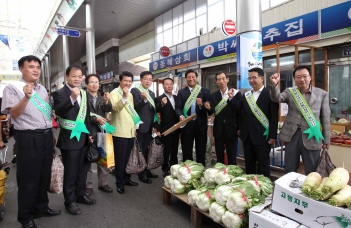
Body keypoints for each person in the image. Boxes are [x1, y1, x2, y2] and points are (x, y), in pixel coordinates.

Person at [1, 55, 60, 228]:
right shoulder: (12, 88)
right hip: (27, 137)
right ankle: (25, 217)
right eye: (31, 66)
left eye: (37, 67)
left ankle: (41, 207)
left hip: (46, 135)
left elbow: (45, 114)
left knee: (43, 175)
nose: (35, 70)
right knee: (28, 178)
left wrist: (50, 133)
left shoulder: (42, 89)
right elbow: (15, 114)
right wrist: (26, 97)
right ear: (21, 69)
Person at [270, 65, 330, 175]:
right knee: (290, 168)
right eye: (298, 77)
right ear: (294, 79)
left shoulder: (322, 94)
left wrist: (326, 139)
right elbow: (276, 98)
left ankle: (310, 190)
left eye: (305, 76)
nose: (302, 79)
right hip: (292, 135)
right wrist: (274, 85)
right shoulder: (290, 92)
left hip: (312, 135)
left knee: (312, 170)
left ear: (310, 77)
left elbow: (325, 118)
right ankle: (289, 190)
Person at [52, 65, 96, 216]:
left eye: (79, 76)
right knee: (70, 172)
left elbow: (86, 116)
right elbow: (58, 111)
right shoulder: (59, 93)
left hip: (83, 137)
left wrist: (90, 133)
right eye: (73, 76)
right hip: (69, 139)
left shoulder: (84, 93)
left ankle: (80, 194)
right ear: (66, 77)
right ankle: (69, 201)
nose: (77, 79)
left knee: (82, 170)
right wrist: (72, 98)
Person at [239, 67, 278, 178]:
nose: (251, 80)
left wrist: (272, 136)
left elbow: (274, 116)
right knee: (249, 164)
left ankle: (264, 189)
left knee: (263, 165)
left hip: (263, 136)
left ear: (261, 78)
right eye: (249, 78)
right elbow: (241, 113)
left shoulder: (270, 94)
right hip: (247, 136)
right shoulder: (246, 95)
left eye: (254, 77)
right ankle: (250, 186)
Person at [109, 71, 139, 194]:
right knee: (120, 160)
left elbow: (132, 113)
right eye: (125, 80)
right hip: (120, 131)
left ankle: (127, 179)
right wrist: (124, 97)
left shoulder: (130, 94)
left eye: (130, 81)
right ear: (120, 81)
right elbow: (115, 108)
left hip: (130, 131)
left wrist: (135, 127)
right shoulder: (114, 93)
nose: (127, 83)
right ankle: (119, 183)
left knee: (128, 158)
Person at [204, 71, 242, 165]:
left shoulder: (236, 94)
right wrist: (208, 108)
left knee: (232, 157)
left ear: (227, 80)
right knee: (219, 157)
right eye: (219, 79)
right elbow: (212, 111)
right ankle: (220, 176)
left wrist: (239, 127)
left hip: (232, 129)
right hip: (219, 130)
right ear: (216, 82)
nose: (221, 81)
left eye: (223, 79)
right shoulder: (213, 96)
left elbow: (239, 111)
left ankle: (232, 176)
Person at [84, 74, 113, 196]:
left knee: (103, 159)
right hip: (89, 131)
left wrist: (107, 101)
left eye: (97, 82)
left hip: (102, 131)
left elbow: (108, 110)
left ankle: (103, 183)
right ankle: (88, 185)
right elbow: (82, 115)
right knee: (88, 159)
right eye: (92, 82)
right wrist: (95, 120)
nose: (95, 84)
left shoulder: (102, 97)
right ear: (86, 84)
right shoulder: (82, 97)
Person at [175, 69, 210, 167]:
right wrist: (181, 116)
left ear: (196, 78)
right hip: (187, 125)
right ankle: (188, 172)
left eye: (193, 77)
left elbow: (208, 108)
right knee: (187, 151)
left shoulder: (205, 91)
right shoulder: (181, 92)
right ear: (186, 79)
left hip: (201, 126)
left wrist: (201, 105)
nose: (191, 79)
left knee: (201, 151)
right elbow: (178, 107)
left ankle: (201, 172)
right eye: (189, 77)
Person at [131, 71, 158, 184]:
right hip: (140, 126)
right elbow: (135, 107)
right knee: (140, 150)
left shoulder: (152, 93)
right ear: (141, 80)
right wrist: (144, 99)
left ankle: (147, 170)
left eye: (150, 79)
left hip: (150, 126)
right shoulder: (135, 91)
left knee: (148, 149)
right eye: (145, 79)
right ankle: (141, 173)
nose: (148, 81)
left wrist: (155, 126)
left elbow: (153, 111)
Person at [155, 78, 179, 177]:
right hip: (166, 129)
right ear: (163, 86)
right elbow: (156, 111)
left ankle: (174, 166)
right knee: (166, 149)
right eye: (166, 84)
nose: (169, 86)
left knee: (175, 149)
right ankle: (165, 168)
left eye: (170, 84)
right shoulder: (159, 98)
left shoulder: (176, 97)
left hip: (176, 127)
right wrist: (162, 104)